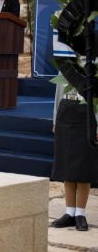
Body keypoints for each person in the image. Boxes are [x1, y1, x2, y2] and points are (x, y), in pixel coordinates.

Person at [50, 85, 96, 231]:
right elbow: (58, 92)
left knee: (83, 165)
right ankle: (69, 212)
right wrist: (55, 119)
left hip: (87, 111)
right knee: (67, 164)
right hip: (66, 111)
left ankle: (80, 214)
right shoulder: (65, 69)